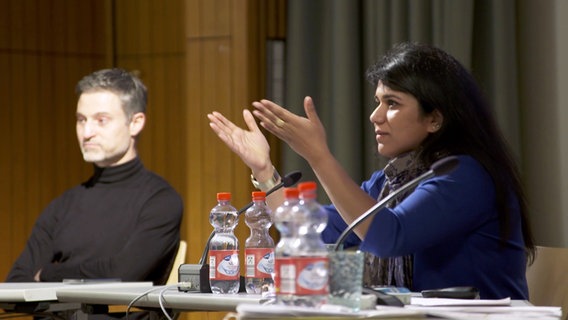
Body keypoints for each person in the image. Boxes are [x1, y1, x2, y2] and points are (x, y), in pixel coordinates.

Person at [208, 42, 535, 300]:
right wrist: (265, 172)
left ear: (435, 118)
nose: (375, 116)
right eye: (377, 102)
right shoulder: (394, 179)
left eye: (392, 104)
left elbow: (389, 236)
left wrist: (319, 156)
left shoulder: (464, 174)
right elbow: (314, 230)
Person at [6, 68, 183, 284]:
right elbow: (16, 281)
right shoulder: (63, 206)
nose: (87, 132)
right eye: (81, 120)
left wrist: (48, 274)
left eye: (101, 120)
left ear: (135, 123)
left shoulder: (160, 201)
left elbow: (123, 274)